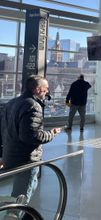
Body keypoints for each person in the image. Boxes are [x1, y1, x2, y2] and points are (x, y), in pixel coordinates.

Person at [0, 75, 61, 219]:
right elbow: (32, 136)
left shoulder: (12, 103)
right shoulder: (33, 106)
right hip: (26, 159)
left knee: (28, 187)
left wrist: (3, 153)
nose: (47, 93)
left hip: (11, 155)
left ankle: (26, 215)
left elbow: (3, 130)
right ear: (38, 89)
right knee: (21, 198)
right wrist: (51, 134)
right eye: (46, 89)